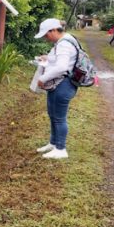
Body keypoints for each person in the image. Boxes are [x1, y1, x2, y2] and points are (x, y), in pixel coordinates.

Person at [34, 18, 78, 159]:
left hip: (63, 84)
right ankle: (53, 143)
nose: (46, 38)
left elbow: (62, 67)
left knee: (59, 118)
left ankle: (61, 149)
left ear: (53, 30)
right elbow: (60, 60)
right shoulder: (63, 40)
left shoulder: (64, 44)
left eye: (46, 35)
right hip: (58, 83)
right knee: (53, 115)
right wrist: (48, 58)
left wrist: (42, 79)